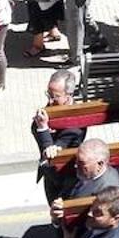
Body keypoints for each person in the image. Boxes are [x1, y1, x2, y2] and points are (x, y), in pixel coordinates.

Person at [32, 69, 85, 204]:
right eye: (48, 94)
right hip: (50, 173)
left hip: (65, 178)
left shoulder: (76, 124)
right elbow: (35, 126)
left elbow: (53, 153)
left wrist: (44, 129)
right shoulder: (54, 106)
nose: (49, 101)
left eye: (55, 96)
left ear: (68, 96)